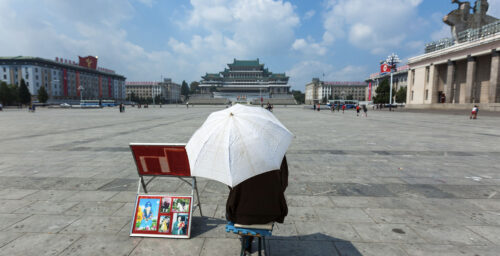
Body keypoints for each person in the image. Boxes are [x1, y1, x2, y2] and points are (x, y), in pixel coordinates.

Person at [226, 156, 288, 253]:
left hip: (241, 214)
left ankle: (246, 239)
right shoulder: (277, 149)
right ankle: (248, 238)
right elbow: (283, 183)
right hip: (271, 213)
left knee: (234, 209)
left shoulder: (236, 153)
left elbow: (230, 185)